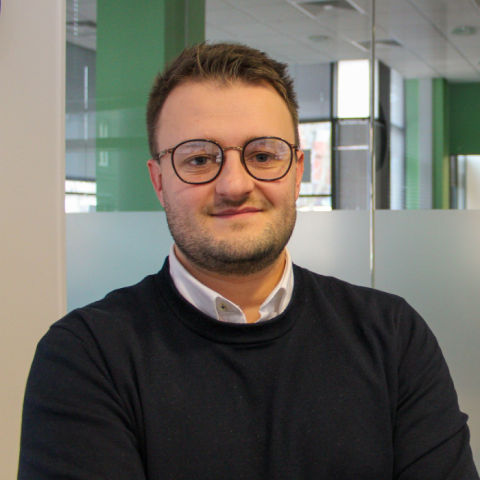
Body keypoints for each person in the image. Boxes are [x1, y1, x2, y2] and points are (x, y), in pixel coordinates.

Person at [19, 43, 478, 480]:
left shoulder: (392, 337)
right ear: (159, 182)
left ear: (297, 173)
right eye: (199, 159)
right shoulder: (86, 357)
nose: (235, 185)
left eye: (262, 154)